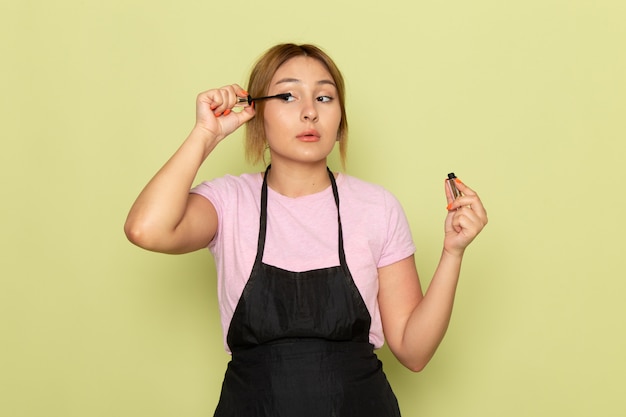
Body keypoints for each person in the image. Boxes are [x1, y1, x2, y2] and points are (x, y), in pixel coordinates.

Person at [124, 43, 488, 417]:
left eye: (325, 97)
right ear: (256, 113)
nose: (310, 112)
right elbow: (146, 229)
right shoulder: (229, 202)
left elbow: (413, 352)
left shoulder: (376, 207)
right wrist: (206, 132)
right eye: (287, 95)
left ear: (340, 120)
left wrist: (453, 252)